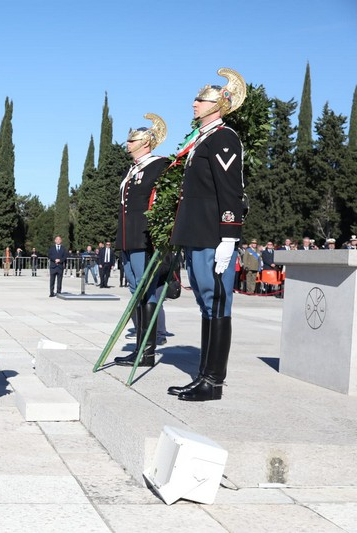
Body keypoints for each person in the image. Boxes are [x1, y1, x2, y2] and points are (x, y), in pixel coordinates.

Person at [168, 68, 247, 402]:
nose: (194, 103)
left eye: (201, 99)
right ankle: (203, 374)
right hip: (198, 233)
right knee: (205, 300)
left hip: (214, 235)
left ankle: (213, 381)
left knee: (217, 301)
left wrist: (229, 236)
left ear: (219, 105)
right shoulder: (202, 139)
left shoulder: (223, 138)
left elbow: (230, 190)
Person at [112, 114, 170, 367]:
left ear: (146, 142)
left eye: (132, 140)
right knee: (136, 290)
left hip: (143, 235)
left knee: (146, 290)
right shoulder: (133, 168)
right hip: (127, 235)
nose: (127, 143)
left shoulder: (159, 165)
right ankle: (140, 348)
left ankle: (147, 350)